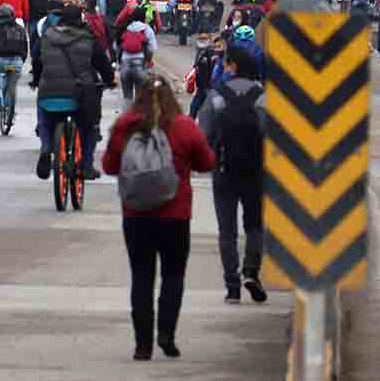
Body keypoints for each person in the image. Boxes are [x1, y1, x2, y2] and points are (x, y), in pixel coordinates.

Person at [102, 75, 215, 361]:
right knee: (173, 276)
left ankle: (142, 345)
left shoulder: (125, 127)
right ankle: (167, 335)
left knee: (141, 277)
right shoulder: (184, 127)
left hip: (136, 215)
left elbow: (110, 166)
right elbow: (206, 162)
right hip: (175, 217)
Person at [198, 45, 268, 305]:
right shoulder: (263, 97)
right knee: (255, 225)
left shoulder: (217, 97)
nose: (224, 68)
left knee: (226, 230)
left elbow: (202, 133)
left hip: (224, 171)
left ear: (234, 66)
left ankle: (232, 286)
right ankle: (251, 271)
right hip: (256, 171)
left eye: (226, 64)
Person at [31, 3, 114, 181]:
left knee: (45, 120)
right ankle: (85, 166)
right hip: (79, 96)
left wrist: (37, 80)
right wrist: (109, 80)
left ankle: (46, 148)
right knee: (90, 127)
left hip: (49, 92)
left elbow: (37, 61)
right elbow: (103, 64)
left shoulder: (47, 36)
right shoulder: (88, 38)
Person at [117, 6, 158, 102]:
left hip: (125, 65)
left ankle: (127, 115)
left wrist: (119, 62)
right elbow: (151, 49)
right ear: (144, 17)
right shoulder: (147, 29)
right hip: (140, 66)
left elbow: (118, 47)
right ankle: (138, 116)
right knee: (140, 99)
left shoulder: (125, 27)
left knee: (127, 98)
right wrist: (148, 62)